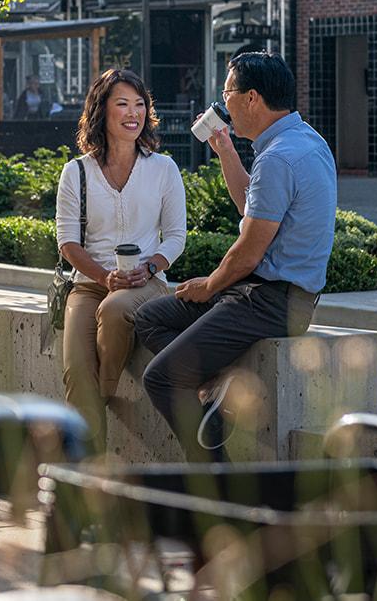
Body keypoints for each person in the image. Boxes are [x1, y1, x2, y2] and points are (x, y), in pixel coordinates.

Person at [133, 51, 336, 461]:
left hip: (271, 302)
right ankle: (214, 387)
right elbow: (250, 206)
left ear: (252, 99)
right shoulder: (304, 141)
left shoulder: (278, 157)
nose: (223, 103)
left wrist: (209, 286)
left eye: (227, 93)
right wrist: (224, 146)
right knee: (149, 318)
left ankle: (213, 478)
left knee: (162, 379)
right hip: (267, 295)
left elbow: (248, 251)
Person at [56, 67, 187, 444]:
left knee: (115, 311)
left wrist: (149, 267)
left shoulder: (163, 169)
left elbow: (176, 237)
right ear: (102, 110)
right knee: (75, 370)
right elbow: (68, 244)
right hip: (90, 285)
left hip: (146, 284)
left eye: (140, 104)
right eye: (123, 104)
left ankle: (102, 393)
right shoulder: (76, 172)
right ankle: (86, 470)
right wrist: (104, 278)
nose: (134, 113)